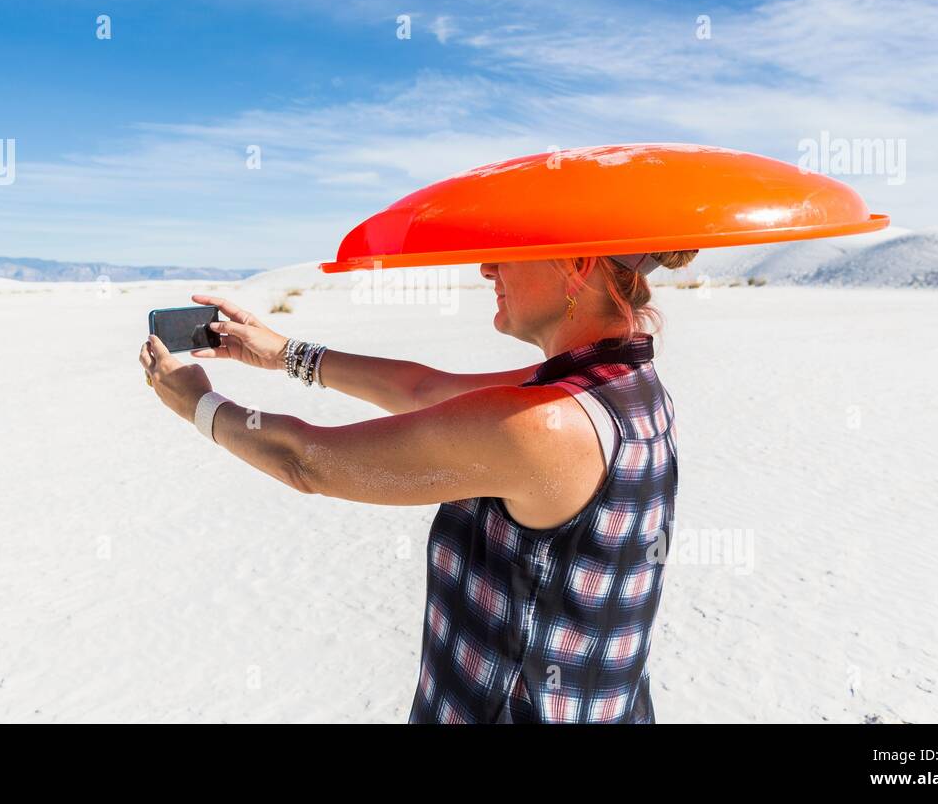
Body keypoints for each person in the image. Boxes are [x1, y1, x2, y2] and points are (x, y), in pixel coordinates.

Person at [138, 249, 696, 722]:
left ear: (576, 264)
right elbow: (426, 389)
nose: (486, 269)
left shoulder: (547, 423)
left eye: (508, 252)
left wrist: (197, 404)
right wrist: (285, 353)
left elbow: (306, 462)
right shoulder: (620, 381)